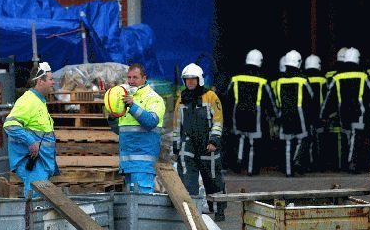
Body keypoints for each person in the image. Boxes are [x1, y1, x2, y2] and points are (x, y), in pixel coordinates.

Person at [172, 63, 226, 221]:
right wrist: (176, 145)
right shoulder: (181, 99)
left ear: (199, 79)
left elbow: (217, 121)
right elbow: (177, 124)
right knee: (188, 178)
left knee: (213, 179)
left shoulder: (210, 97)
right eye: (187, 79)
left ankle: (218, 210)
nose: (190, 82)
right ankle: (192, 213)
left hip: (208, 145)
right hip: (188, 145)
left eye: (193, 79)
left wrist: (214, 140)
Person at [320, 47, 370, 173]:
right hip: (359, 113)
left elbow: (329, 98)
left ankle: (348, 162)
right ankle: (351, 163)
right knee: (355, 137)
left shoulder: (337, 77)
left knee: (349, 138)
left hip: (343, 113)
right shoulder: (363, 76)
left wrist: (324, 114)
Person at [4, 62, 59, 198]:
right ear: (40, 81)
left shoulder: (39, 101)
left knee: (38, 198)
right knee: (35, 199)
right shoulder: (28, 100)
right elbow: (9, 125)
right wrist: (30, 141)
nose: (53, 83)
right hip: (33, 162)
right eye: (51, 79)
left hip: (41, 162)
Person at [108, 63, 165, 193]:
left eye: (135, 77)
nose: (131, 81)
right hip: (127, 165)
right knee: (132, 206)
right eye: (129, 78)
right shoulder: (126, 99)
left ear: (144, 78)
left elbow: (151, 122)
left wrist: (133, 106)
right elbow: (120, 130)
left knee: (142, 204)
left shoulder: (154, 99)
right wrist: (112, 118)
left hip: (143, 165)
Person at [226, 49, 277, 175]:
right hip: (255, 117)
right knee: (253, 144)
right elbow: (270, 101)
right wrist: (275, 115)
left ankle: (238, 163)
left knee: (240, 139)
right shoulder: (263, 81)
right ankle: (251, 170)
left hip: (238, 115)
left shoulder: (235, 79)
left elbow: (227, 98)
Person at [275, 50, 314, 176]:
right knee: (304, 138)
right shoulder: (302, 80)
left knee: (287, 142)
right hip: (299, 113)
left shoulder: (280, 80)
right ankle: (296, 159)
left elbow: (278, 98)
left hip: (285, 113)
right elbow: (311, 96)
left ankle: (288, 171)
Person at [303, 54, 328, 172]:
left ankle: (308, 164)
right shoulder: (323, 80)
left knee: (308, 140)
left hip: (306, 114)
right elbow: (327, 97)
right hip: (319, 114)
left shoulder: (303, 78)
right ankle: (320, 164)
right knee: (320, 141)